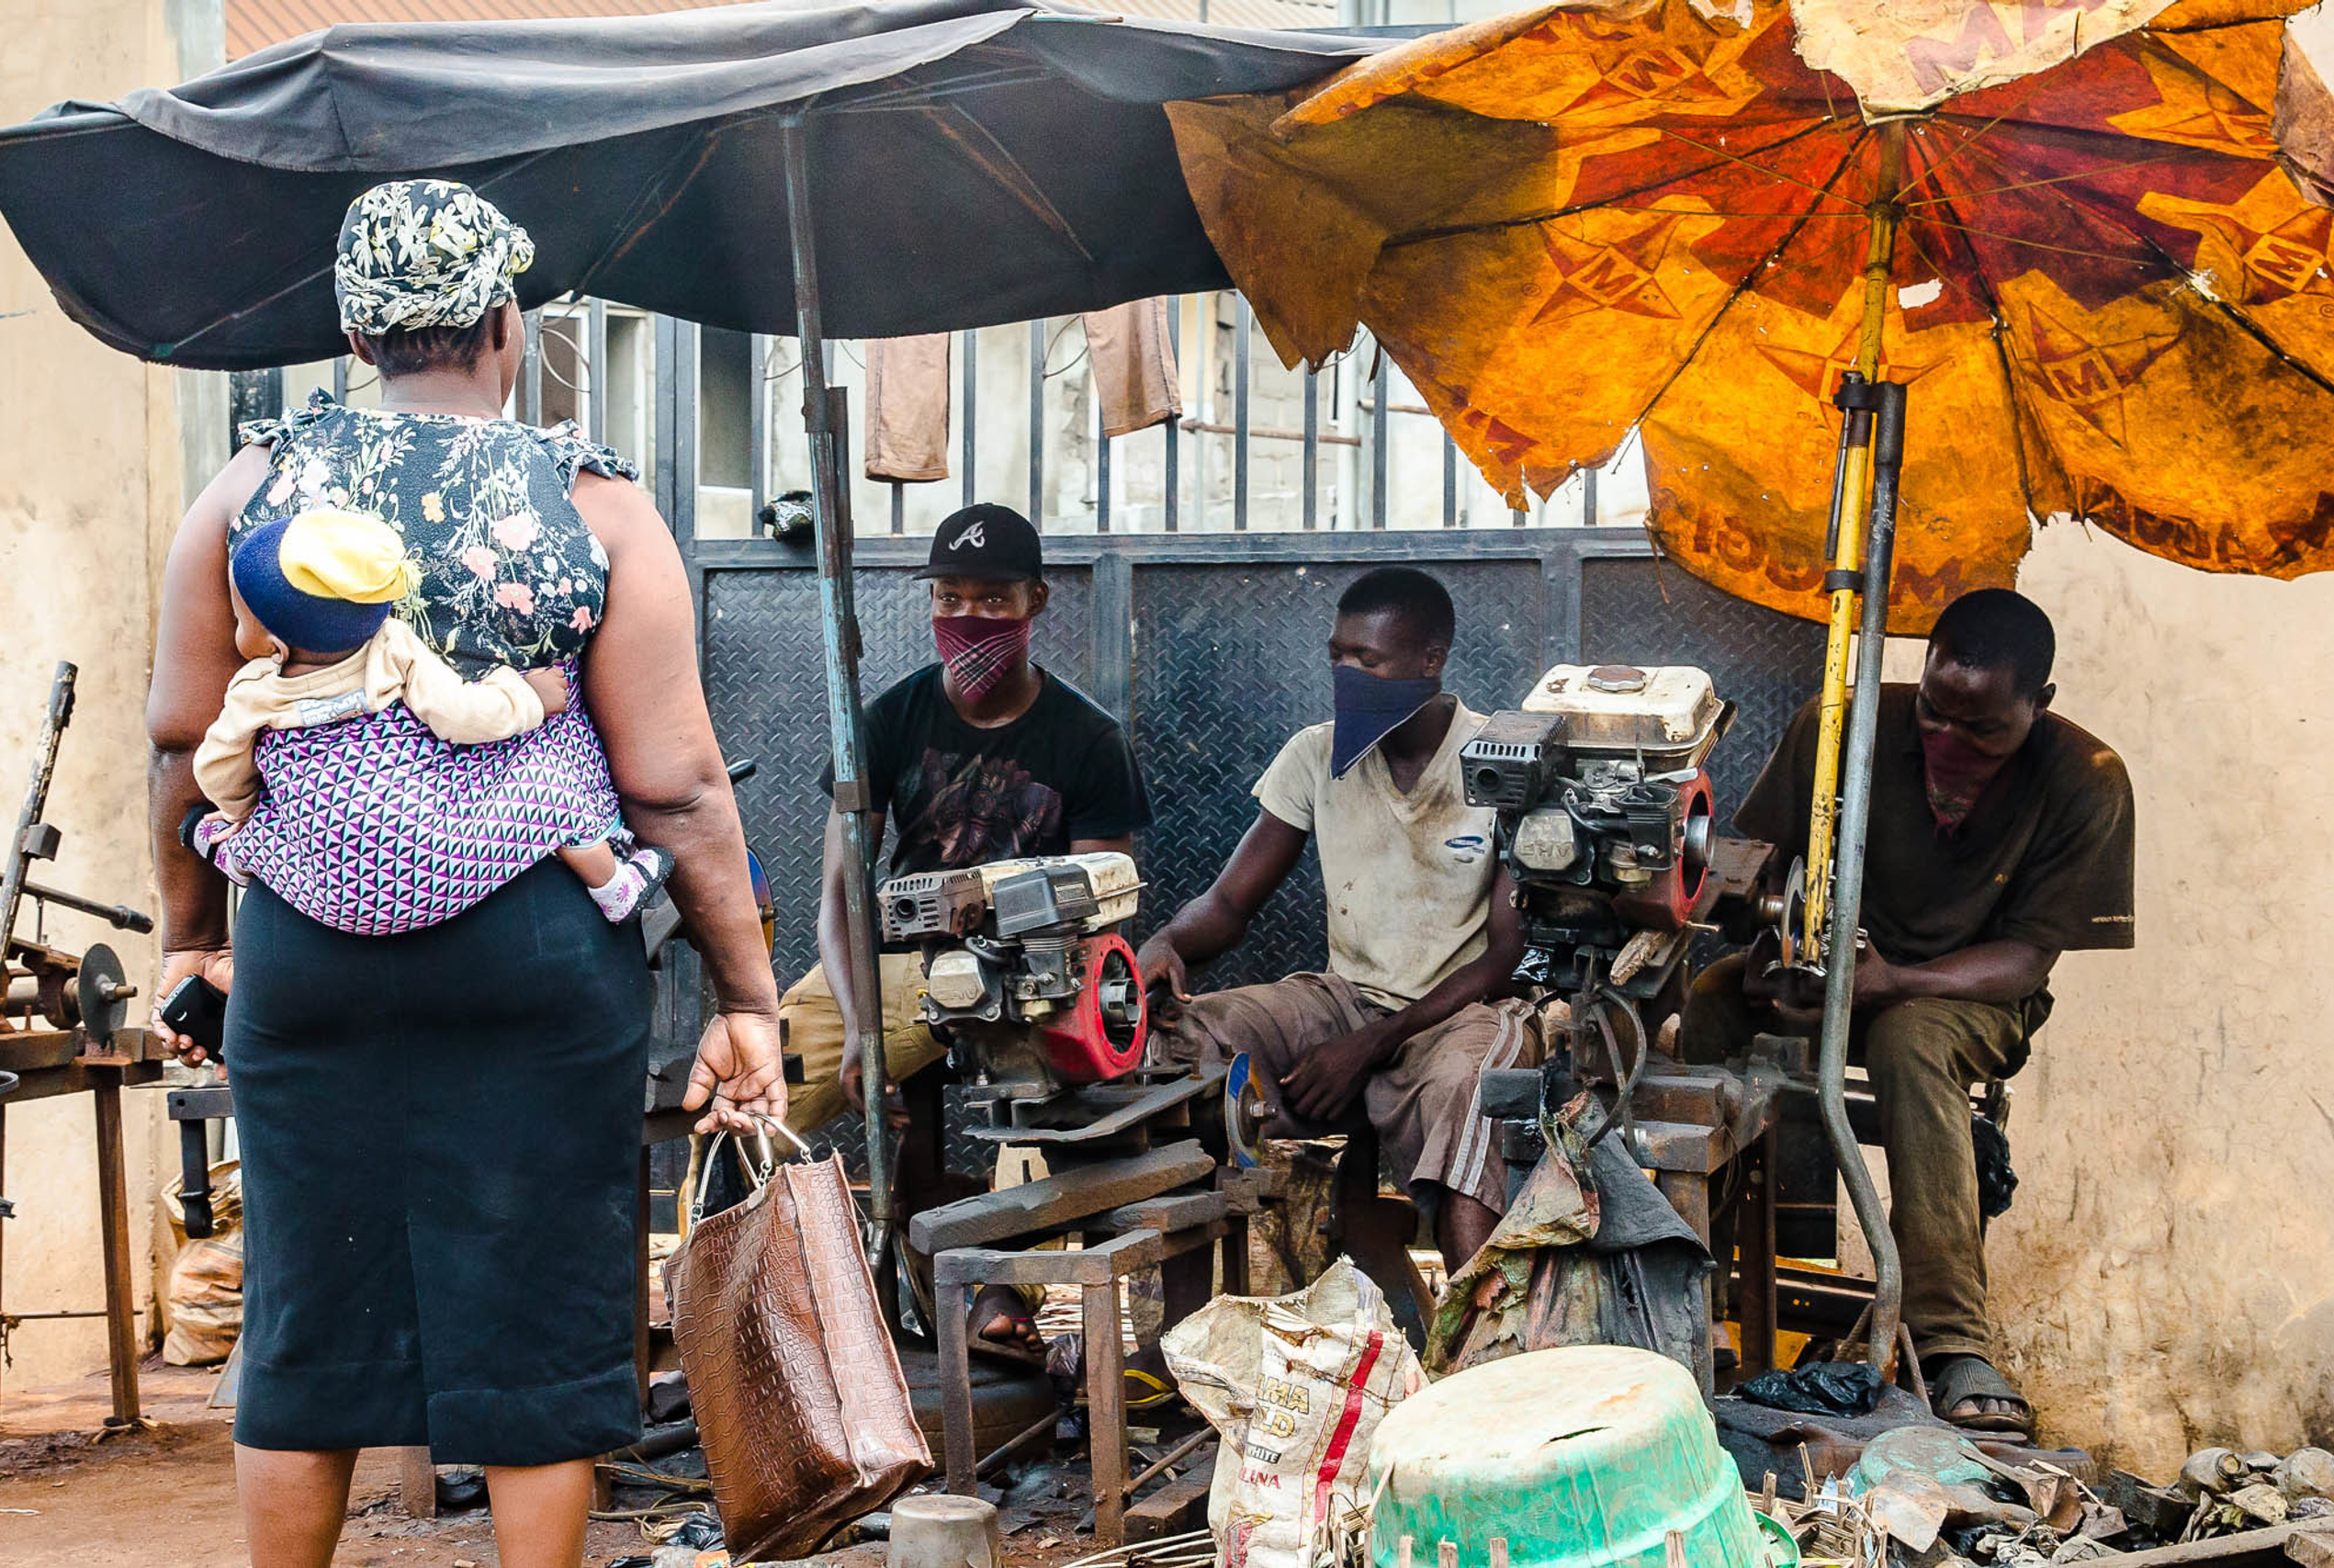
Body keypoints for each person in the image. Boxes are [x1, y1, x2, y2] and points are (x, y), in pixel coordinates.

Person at [145, 179, 784, 1568]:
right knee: (541, 1299)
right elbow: (675, 781)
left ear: (352, 329)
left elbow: (181, 737)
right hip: (534, 946)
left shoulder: (251, 490)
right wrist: (750, 993)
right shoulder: (590, 503)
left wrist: (190, 936)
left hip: (305, 948)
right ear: (506, 324)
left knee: (306, 1301)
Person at [1679, 588, 2134, 1440]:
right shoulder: (1841, 726)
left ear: (2042, 704)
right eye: (1934, 714)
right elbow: (1764, 867)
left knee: (1912, 1037)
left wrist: (1895, 981)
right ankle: (1692, 1286)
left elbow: (2029, 956)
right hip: (1841, 970)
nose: (1948, 742)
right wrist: (1774, 941)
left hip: (1970, 994)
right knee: (1709, 1002)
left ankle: (1952, 1339)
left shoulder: (2086, 779)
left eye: (1983, 729)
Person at [781, 501, 1152, 1349]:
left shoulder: (1088, 739)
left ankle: (994, 1284)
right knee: (757, 1083)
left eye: (994, 601)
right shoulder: (885, 720)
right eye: (950, 599)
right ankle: (771, 1287)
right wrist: (864, 1031)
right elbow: (840, 894)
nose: (969, 619)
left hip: (1029, 976)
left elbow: (1108, 902)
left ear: (1037, 602)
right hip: (898, 971)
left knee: (1033, 1101)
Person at [1135, 566, 1534, 1271]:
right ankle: (1177, 1342)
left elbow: (1502, 956)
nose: (1346, 672)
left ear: (1429, 661)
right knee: (1178, 1045)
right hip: (1344, 999)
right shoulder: (1315, 754)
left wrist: (1374, 1044)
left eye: (1367, 659)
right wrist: (1167, 941)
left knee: (1468, 1090)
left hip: (1459, 1011)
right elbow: (1229, 904)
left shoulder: (1498, 765)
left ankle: (1480, 1350)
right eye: (1337, 655)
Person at [192, 507, 673, 920]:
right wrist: (526, 695)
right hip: (435, 864)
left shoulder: (255, 692)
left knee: (264, 825)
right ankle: (614, 888)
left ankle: (231, 849)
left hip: (334, 895)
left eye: (240, 620)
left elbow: (217, 767)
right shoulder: (393, 647)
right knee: (552, 787)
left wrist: (241, 811)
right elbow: (464, 717)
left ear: (274, 645)